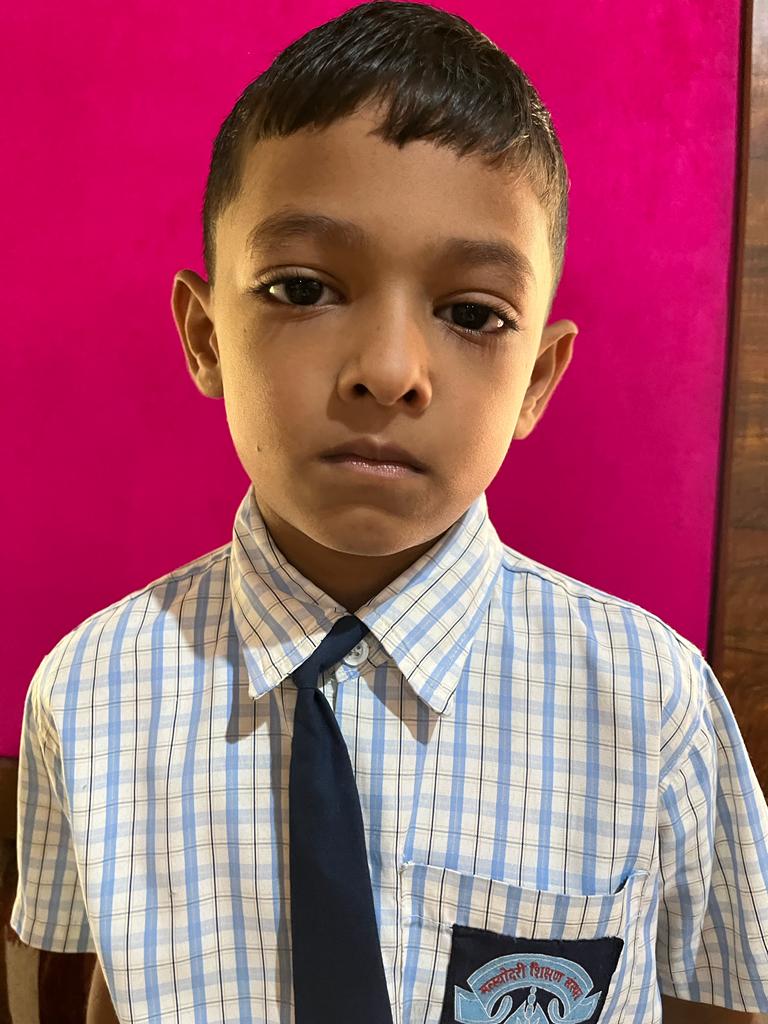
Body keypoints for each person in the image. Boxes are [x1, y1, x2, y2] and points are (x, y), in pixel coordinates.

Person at [11, 2, 768, 1022]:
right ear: (204, 335)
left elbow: (720, 999)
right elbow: (84, 981)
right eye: (301, 288)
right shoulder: (86, 695)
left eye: (472, 313)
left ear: (539, 380)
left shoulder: (651, 705)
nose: (390, 369)